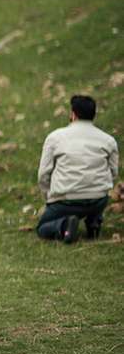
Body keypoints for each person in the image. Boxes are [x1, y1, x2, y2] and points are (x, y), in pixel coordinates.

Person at [36, 95, 118, 243]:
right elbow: (113, 172)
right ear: (93, 115)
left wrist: (49, 197)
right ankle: (94, 223)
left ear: (73, 114)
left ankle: (64, 226)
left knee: (42, 228)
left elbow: (43, 174)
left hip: (66, 201)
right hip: (98, 199)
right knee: (96, 196)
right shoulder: (108, 140)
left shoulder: (55, 138)